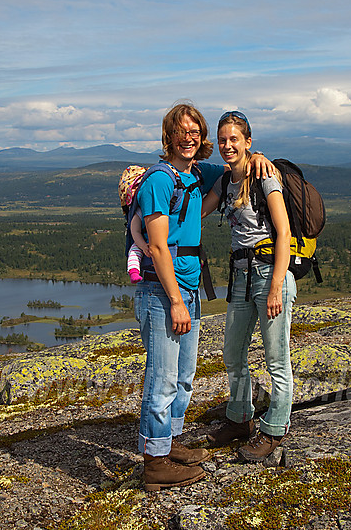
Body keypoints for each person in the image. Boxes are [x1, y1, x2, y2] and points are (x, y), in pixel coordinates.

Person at [135, 102, 274, 491]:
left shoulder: (198, 173)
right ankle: (155, 464)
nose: (190, 137)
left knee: (183, 377)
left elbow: (238, 166)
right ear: (169, 137)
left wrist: (257, 155)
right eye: (182, 131)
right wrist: (176, 300)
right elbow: (160, 247)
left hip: (190, 289)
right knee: (162, 378)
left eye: (196, 131)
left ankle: (171, 442)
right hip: (163, 292)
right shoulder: (160, 181)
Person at [201, 110, 296, 463]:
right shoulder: (225, 181)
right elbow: (199, 214)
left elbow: (283, 233)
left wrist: (274, 288)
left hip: (271, 274)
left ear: (248, 142)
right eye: (223, 140)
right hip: (239, 276)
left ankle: (274, 429)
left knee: (276, 358)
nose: (227, 145)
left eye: (234, 139)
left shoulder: (265, 178)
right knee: (232, 353)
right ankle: (240, 418)